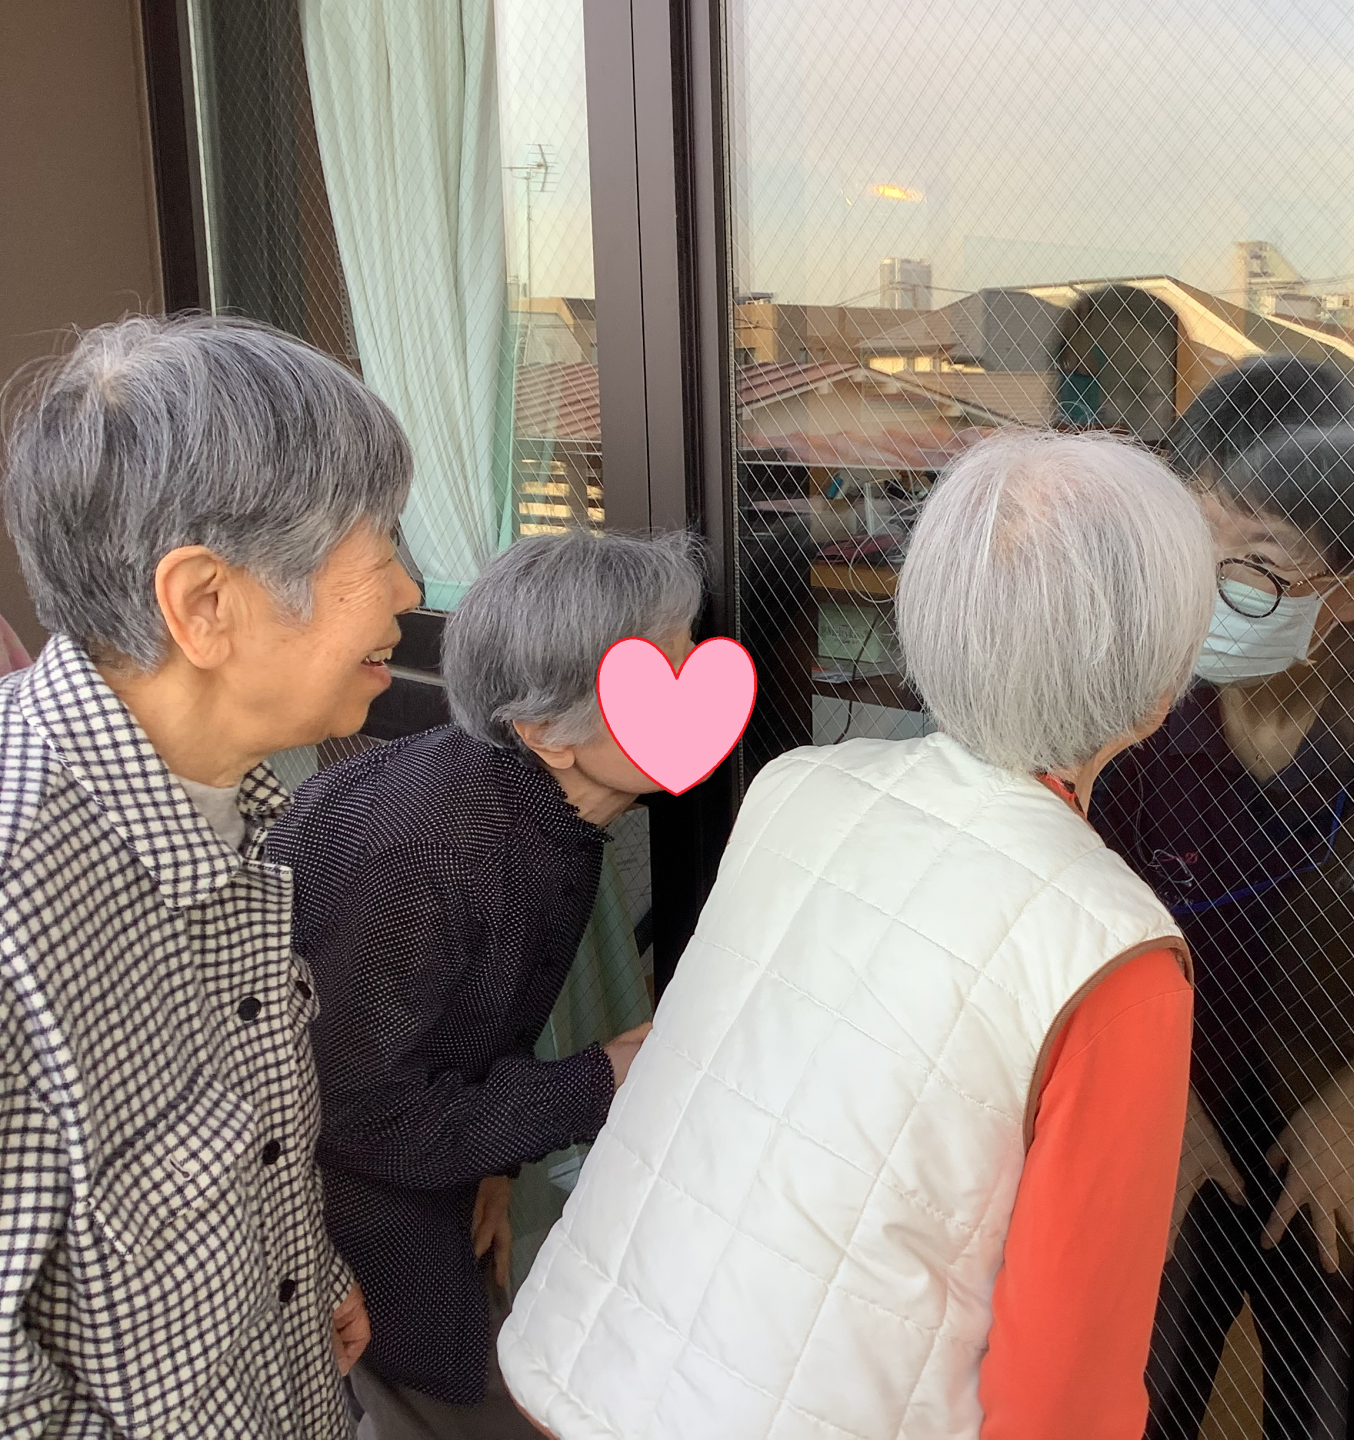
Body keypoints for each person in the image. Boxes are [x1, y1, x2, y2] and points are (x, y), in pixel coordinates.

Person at [498, 429, 1216, 1439]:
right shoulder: (1114, 955)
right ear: (1157, 691)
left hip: (582, 1364)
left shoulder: (798, 789)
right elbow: (1065, 1392)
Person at [0, 314, 419, 1436]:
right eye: (378, 544)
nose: (408, 588)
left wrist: (304, 1275)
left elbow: (234, 1142)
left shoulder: (226, 799)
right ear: (205, 604)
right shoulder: (19, 902)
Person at [263, 528, 701, 1439]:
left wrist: (491, 1169)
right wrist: (603, 1078)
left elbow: (468, 1026)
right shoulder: (432, 855)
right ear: (543, 730)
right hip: (343, 1245)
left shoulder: (536, 810)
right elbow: (355, 1116)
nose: (693, 690)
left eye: (690, 654)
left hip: (424, 1205)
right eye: (657, 674)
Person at [1092, 357, 1354, 1440]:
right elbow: (1083, 918)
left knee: (1325, 1401)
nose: (1207, 590)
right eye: (1191, 540)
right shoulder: (1141, 718)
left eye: (1257, 560)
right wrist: (1164, 1111)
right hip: (1183, 1107)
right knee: (1145, 1392)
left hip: (1345, 1128)